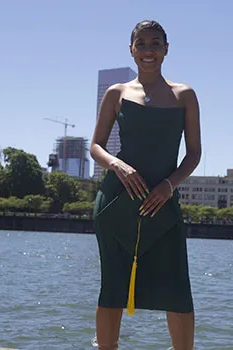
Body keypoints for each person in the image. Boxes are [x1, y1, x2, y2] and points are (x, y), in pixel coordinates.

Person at [90, 19, 202, 350]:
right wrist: (118, 165)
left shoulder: (185, 95)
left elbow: (194, 154)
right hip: (116, 202)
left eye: (155, 43)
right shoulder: (116, 93)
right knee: (112, 286)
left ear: (166, 49)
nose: (148, 50)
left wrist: (170, 185)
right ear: (131, 49)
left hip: (162, 202)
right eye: (141, 44)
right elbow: (96, 146)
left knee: (178, 288)